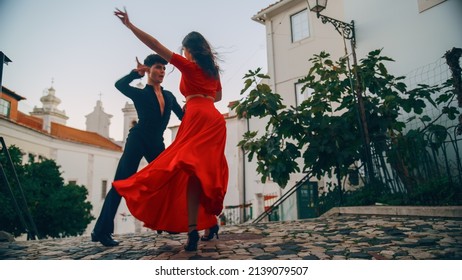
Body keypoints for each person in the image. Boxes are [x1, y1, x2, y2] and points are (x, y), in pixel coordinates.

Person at [113, 7, 228, 251]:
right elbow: (217, 96)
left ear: (188, 49)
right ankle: (209, 223)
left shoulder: (189, 66)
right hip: (214, 119)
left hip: (196, 117)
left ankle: (193, 231)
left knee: (184, 171)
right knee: (206, 173)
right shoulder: (212, 70)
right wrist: (202, 96)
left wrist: (130, 26)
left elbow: (154, 44)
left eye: (184, 49)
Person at [91, 54, 184, 247]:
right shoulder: (140, 93)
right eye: (158, 67)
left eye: (164, 69)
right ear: (149, 70)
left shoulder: (169, 96)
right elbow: (120, 85)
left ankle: (164, 222)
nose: (162, 72)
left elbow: (184, 117)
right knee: (120, 184)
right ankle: (101, 231)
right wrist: (136, 73)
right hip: (138, 140)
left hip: (157, 144)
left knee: (170, 180)